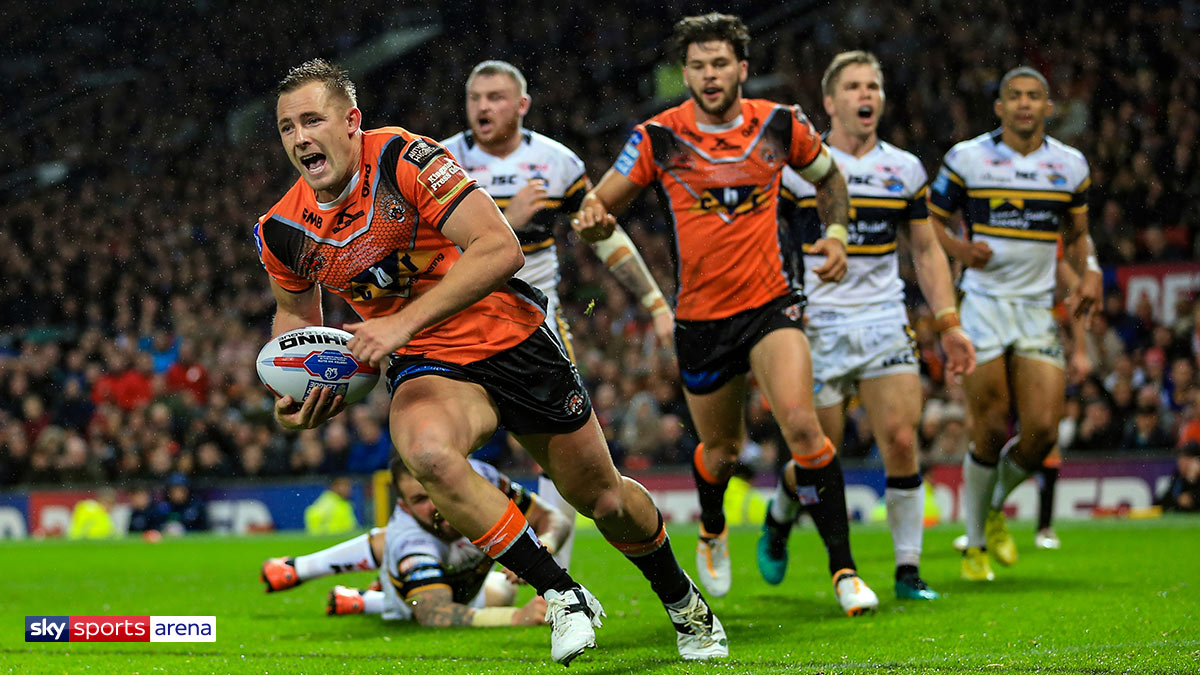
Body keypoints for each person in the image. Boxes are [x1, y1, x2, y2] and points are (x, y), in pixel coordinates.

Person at [255, 59, 726, 664]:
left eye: (312, 120)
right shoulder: (283, 229)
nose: (299, 138)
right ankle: (562, 593)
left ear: (351, 122)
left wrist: (395, 323)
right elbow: (294, 321)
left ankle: (682, 598)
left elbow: (500, 249)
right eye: (287, 127)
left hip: (512, 336)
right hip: (428, 363)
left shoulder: (406, 159)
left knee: (603, 501)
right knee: (425, 452)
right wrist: (294, 400)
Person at [576, 13, 878, 615]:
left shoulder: (780, 125)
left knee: (803, 428)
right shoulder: (658, 136)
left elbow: (830, 178)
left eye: (720, 63)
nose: (709, 75)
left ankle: (845, 573)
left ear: (742, 68)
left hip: (772, 306)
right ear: (683, 72)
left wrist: (838, 234)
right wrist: (593, 217)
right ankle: (713, 526)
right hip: (702, 320)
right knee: (723, 450)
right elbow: (597, 204)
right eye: (697, 65)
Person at [441, 60, 671, 572]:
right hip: (457, 324)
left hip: (533, 325)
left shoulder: (556, 162)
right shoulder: (441, 161)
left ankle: (555, 579)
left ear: (522, 105)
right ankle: (470, 563)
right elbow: (422, 250)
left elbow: (600, 230)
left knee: (561, 457)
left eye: (496, 97)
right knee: (443, 442)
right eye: (475, 97)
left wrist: (654, 302)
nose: (483, 107)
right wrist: (506, 220)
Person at [763, 51, 975, 601]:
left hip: (883, 318)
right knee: (817, 457)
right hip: (819, 324)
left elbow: (925, 251)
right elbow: (771, 241)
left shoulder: (903, 169)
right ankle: (781, 509)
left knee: (903, 440)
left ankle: (908, 572)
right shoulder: (796, 169)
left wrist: (947, 322)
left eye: (874, 87)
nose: (867, 96)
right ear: (829, 102)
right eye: (854, 86)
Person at [929, 66, 1102, 581]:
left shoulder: (1069, 166)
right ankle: (976, 544)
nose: (1025, 104)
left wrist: (1089, 272)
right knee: (988, 426)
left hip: (1034, 310)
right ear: (999, 107)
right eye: (1015, 97)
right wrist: (960, 249)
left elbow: (1078, 235)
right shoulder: (967, 158)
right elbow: (929, 221)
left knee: (1043, 432)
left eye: (1035, 97)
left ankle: (990, 505)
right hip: (981, 304)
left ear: (1049, 108)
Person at [263, 456, 557, 627]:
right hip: (417, 596)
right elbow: (432, 612)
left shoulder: (481, 476)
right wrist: (515, 617)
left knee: (504, 590)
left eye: (437, 490)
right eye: (419, 499)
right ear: (403, 505)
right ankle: (301, 569)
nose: (436, 505)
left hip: (466, 584)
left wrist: (539, 549)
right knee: (405, 577)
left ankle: (363, 600)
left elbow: (554, 519)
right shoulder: (411, 541)